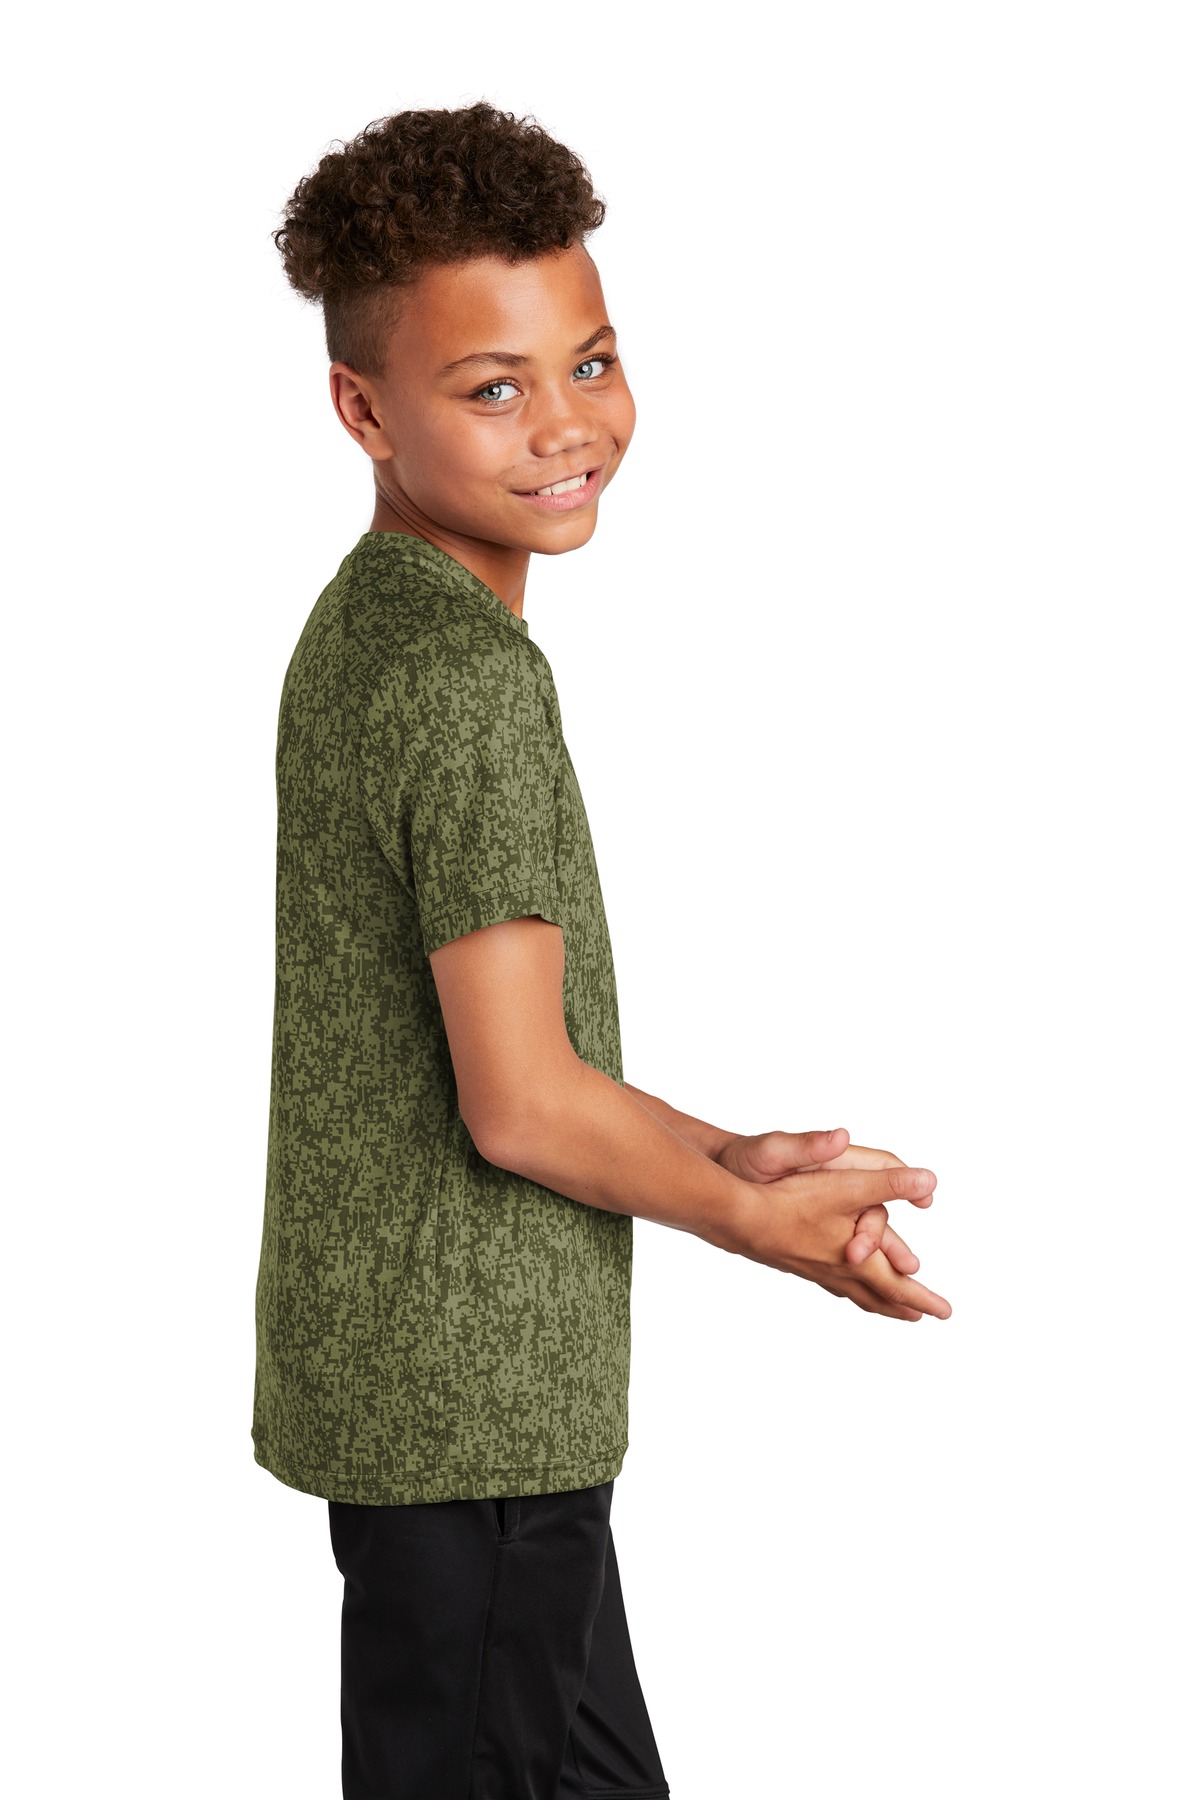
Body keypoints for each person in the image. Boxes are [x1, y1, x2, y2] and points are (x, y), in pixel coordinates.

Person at [252, 99, 952, 1800]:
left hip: (440, 1403)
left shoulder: (372, 622)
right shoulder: (463, 680)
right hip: (477, 1415)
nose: (568, 423)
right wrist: (757, 1223)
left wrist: (724, 1151)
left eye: (592, 361)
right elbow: (519, 1106)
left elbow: (516, 1066)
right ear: (363, 408)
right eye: (492, 388)